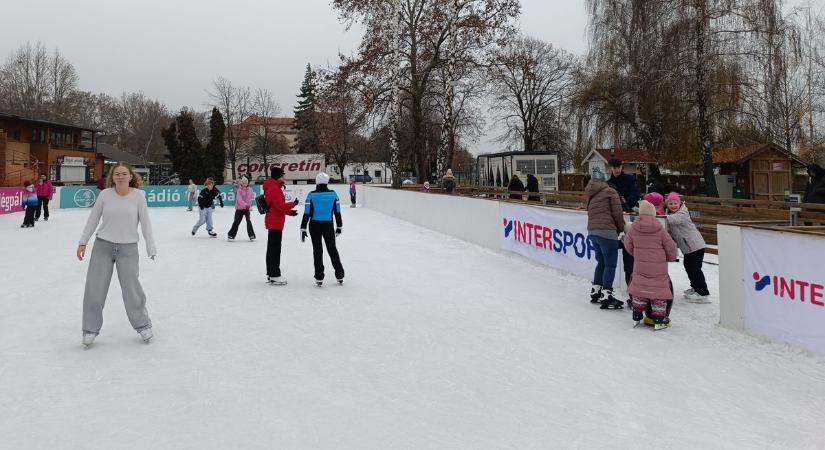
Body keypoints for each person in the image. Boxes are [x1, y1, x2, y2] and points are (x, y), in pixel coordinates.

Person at [76, 162, 156, 347]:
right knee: (94, 289)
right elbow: (93, 219)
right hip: (103, 246)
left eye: (124, 174)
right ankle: (90, 329)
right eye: (117, 174)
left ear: (130, 176)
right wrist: (83, 241)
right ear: (112, 177)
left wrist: (150, 247)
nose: (120, 177)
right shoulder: (105, 195)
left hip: (128, 248)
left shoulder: (138, 196)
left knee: (132, 290)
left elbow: (146, 223)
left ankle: (143, 325)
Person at [624, 200, 678, 330]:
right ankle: (659, 318)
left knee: (639, 288)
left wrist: (636, 254)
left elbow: (627, 244)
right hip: (658, 268)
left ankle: (637, 314)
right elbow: (670, 246)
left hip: (640, 266)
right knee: (658, 291)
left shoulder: (633, 228)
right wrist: (670, 258)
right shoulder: (659, 228)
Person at [586, 167, 626, 309]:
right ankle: (607, 296)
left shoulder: (591, 193)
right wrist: (622, 228)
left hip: (593, 232)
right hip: (607, 233)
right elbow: (617, 213)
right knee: (610, 265)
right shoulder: (610, 191)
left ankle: (596, 291)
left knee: (601, 263)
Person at [300, 172, 345, 286]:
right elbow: (337, 212)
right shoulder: (334, 194)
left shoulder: (311, 195)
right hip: (328, 225)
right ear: (327, 182)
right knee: (332, 249)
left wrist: (303, 227)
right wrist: (339, 226)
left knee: (317, 250)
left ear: (316, 182)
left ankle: (319, 277)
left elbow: (307, 213)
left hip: (314, 225)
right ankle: (340, 275)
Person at [665, 192, 710, 302]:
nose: (673, 205)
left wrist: (656, 216)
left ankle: (703, 292)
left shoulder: (682, 213)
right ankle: (695, 287)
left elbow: (673, 220)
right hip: (688, 247)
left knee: (695, 269)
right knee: (689, 267)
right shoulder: (671, 214)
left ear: (680, 203)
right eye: (670, 203)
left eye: (675, 203)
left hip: (695, 246)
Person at [608, 158, 642, 287]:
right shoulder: (609, 183)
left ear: (621, 167)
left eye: (618, 167)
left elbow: (636, 194)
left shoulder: (630, 179)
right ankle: (615, 280)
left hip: (629, 216)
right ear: (610, 168)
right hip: (615, 219)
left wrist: (626, 204)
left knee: (629, 250)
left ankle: (631, 282)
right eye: (613, 167)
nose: (616, 170)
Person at [263, 167, 300, 285]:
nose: (284, 178)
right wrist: (293, 204)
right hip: (275, 223)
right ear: (277, 177)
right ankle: (274, 274)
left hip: (274, 221)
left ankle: (270, 273)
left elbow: (276, 207)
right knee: (275, 249)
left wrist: (290, 212)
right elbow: (279, 206)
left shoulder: (273, 187)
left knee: (272, 248)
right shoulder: (274, 188)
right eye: (282, 176)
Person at [227, 177, 256, 241]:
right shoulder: (239, 190)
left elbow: (251, 198)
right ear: (241, 183)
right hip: (239, 209)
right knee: (236, 221)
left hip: (247, 209)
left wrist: (250, 205)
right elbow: (239, 200)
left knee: (248, 221)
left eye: (246, 183)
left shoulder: (250, 189)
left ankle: (251, 235)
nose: (245, 184)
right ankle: (231, 235)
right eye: (243, 183)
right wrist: (247, 206)